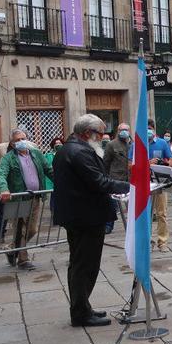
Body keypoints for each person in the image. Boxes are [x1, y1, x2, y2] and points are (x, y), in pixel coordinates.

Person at [53, 114, 130, 327]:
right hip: (84, 217)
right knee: (84, 265)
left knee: (81, 264)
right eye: (100, 133)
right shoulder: (79, 152)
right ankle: (80, 313)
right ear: (88, 133)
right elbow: (99, 182)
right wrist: (130, 187)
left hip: (80, 215)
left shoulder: (72, 148)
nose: (102, 137)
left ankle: (83, 307)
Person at [0, 129, 54, 269]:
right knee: (19, 230)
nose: (21, 142)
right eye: (17, 140)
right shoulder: (8, 158)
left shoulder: (37, 154)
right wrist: (4, 189)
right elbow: (1, 174)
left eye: (23, 138)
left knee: (32, 230)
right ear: (12, 143)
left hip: (35, 198)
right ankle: (23, 260)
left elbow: (49, 170)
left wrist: (61, 182)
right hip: (18, 199)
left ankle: (11, 250)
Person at [147, 122, 172, 251]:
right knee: (146, 214)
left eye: (150, 129)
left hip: (160, 183)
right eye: (146, 129)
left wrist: (167, 163)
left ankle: (162, 241)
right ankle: (147, 240)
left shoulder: (162, 143)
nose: (148, 131)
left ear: (154, 130)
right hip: (144, 184)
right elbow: (130, 165)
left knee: (162, 213)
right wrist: (147, 163)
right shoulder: (137, 144)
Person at [103, 123, 131, 234]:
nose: (124, 131)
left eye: (126, 130)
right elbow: (106, 162)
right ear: (118, 131)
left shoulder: (133, 144)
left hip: (129, 179)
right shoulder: (111, 144)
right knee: (112, 204)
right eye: (122, 130)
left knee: (130, 204)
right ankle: (109, 225)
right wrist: (106, 177)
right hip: (115, 178)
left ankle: (132, 225)